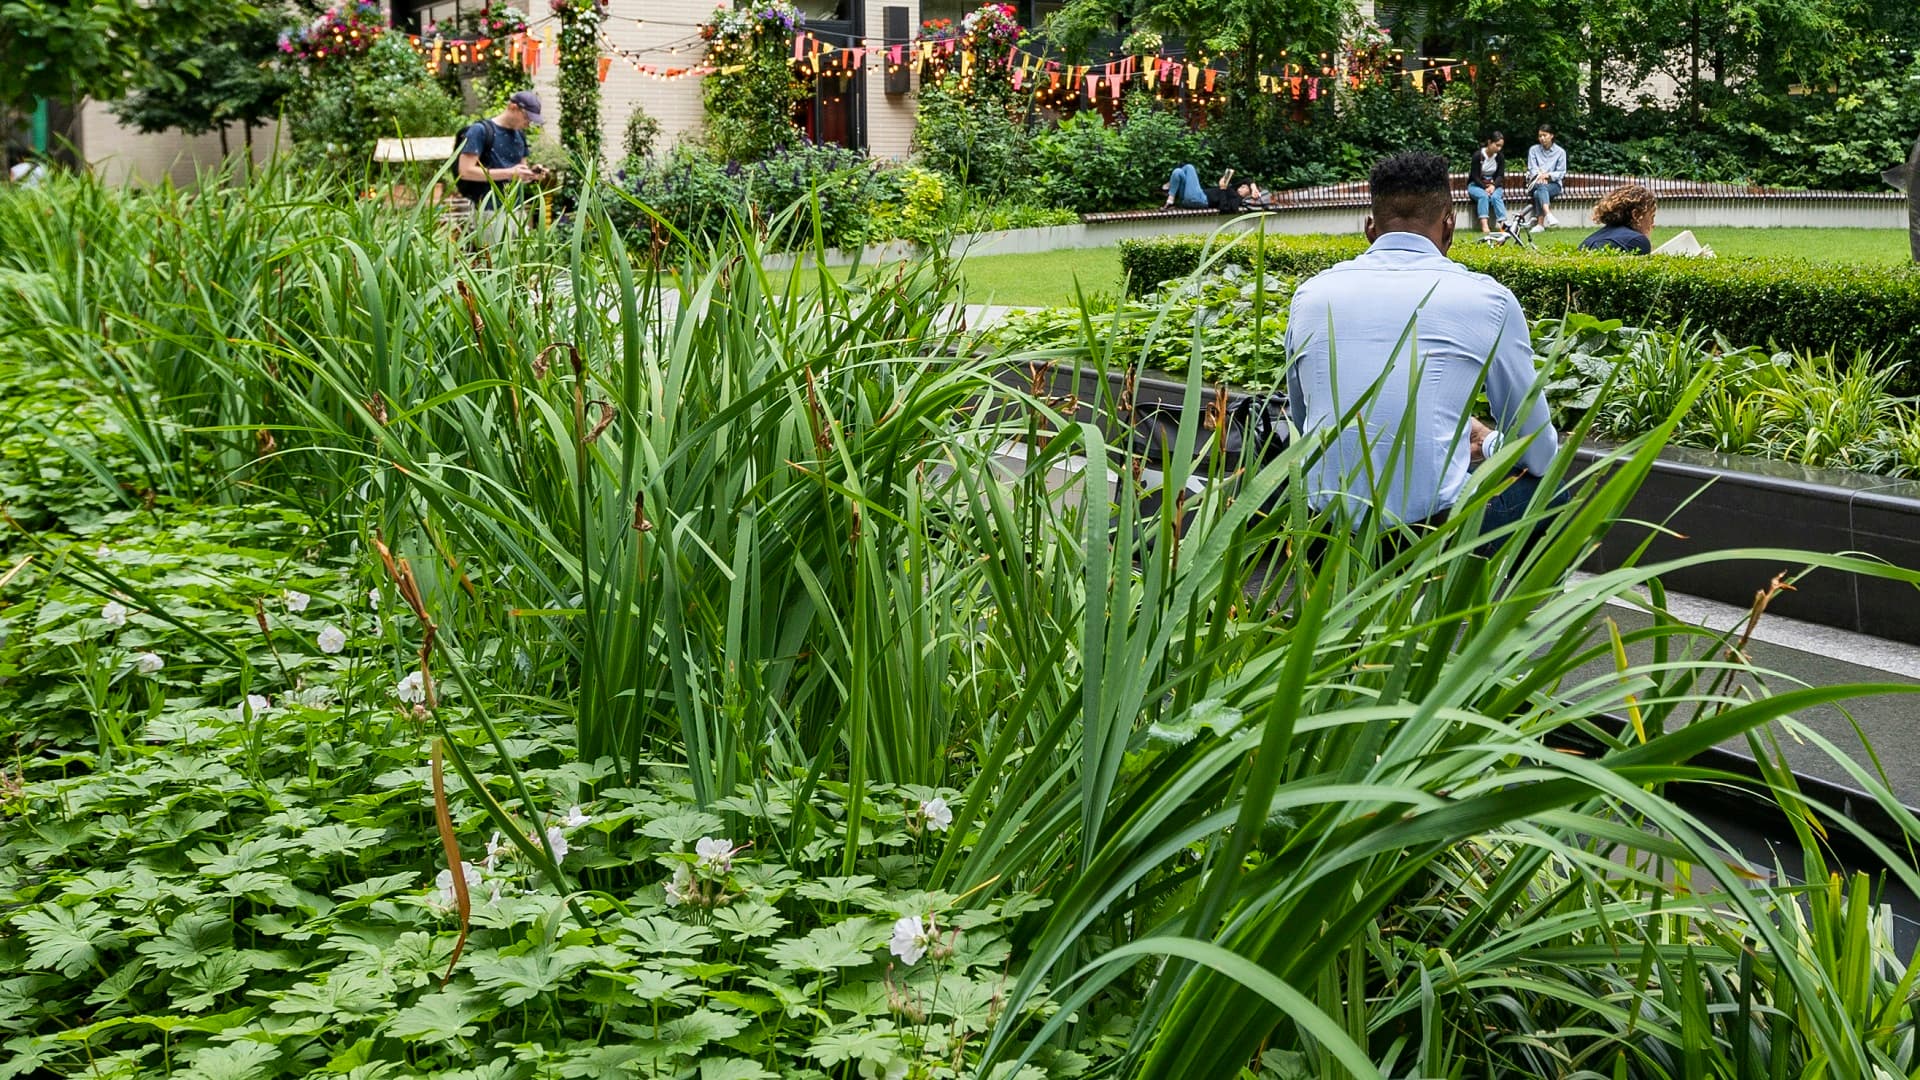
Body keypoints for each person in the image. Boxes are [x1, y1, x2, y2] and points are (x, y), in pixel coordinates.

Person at [1283, 151, 1561, 540]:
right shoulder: (1487, 300)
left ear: (1369, 228)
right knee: (1555, 492)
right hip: (1429, 531)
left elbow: (1303, 422)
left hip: (1325, 526)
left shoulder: (1311, 295)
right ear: (1449, 225)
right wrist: (1487, 442)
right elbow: (1537, 453)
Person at [457, 90, 549, 242]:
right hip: (490, 211)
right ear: (513, 107)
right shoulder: (480, 131)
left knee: (522, 255)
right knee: (493, 255)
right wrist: (509, 173)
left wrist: (531, 174)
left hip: (517, 209)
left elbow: (520, 173)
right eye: (527, 117)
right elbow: (465, 171)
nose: (528, 123)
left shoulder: (520, 136)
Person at [1579, 184, 1656, 254]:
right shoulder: (1635, 241)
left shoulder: (1586, 242)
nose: (1653, 225)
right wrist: (1644, 241)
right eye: (1651, 217)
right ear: (1636, 215)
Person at [1525, 124, 1567, 233]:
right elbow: (1532, 168)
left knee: (1538, 193)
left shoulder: (1560, 152)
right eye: (1540, 136)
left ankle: (1540, 225)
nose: (1542, 138)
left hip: (1554, 185)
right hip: (1536, 182)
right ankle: (1548, 214)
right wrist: (1539, 176)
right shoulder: (1533, 150)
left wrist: (1548, 176)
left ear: (1551, 136)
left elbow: (1561, 173)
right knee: (1540, 187)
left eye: (1545, 135)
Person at [1468, 131, 1508, 234]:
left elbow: (1500, 175)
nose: (1499, 148)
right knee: (1483, 196)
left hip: (1494, 185)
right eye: (1497, 145)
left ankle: (1503, 224)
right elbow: (1475, 176)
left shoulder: (1500, 157)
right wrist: (1485, 188)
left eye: (1501, 146)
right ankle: (1484, 225)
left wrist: (1493, 186)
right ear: (1489, 142)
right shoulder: (1478, 156)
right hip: (1477, 185)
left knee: (1496, 197)